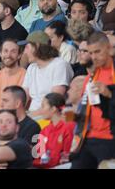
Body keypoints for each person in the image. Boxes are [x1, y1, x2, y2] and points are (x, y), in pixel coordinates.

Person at [71, 32, 115, 169]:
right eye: (91, 53)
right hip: (87, 137)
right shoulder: (92, 75)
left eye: (98, 51)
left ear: (109, 48)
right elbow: (88, 106)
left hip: (109, 139)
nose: (94, 57)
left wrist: (109, 93)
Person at [21, 31, 73, 114]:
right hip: (33, 115)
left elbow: (55, 100)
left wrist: (30, 116)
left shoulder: (59, 65)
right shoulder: (31, 68)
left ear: (37, 46)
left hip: (50, 116)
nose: (24, 52)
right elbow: (24, 96)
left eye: (27, 47)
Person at [0, 40, 26, 117]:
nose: (8, 55)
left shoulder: (27, 76)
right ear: (0, 54)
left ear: (19, 55)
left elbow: (22, 107)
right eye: (5, 51)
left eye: (13, 51)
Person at [33, 93, 75, 168]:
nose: (41, 110)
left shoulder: (69, 126)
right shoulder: (44, 130)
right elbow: (40, 156)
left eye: (43, 106)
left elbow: (67, 156)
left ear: (53, 109)